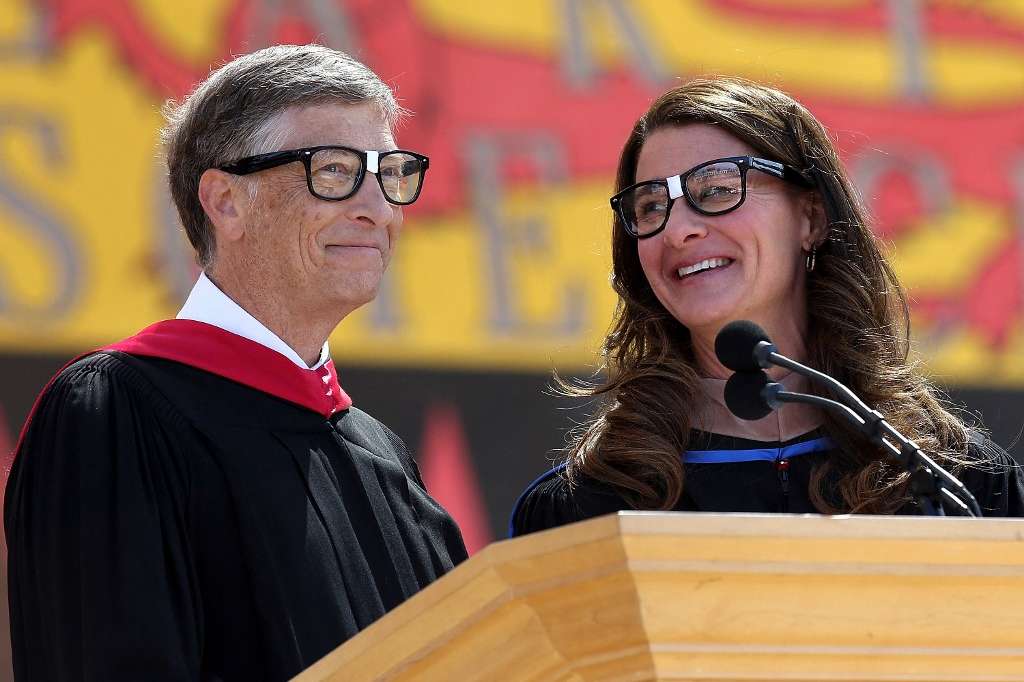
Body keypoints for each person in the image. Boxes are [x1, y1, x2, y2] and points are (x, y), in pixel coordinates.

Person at [5, 44, 467, 680]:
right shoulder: (115, 416)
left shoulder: (385, 463)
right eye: (333, 172)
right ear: (226, 202)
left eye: (390, 173)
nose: (378, 208)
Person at [511, 78, 1024, 536]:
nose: (677, 227)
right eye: (650, 205)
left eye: (715, 189)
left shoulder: (956, 484)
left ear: (812, 217)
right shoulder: (583, 511)